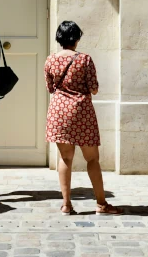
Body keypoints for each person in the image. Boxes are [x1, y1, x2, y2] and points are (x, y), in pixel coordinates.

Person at [44, 20, 122, 216]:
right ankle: (101, 204)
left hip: (59, 112)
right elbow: (94, 89)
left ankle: (66, 205)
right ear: (76, 38)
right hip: (81, 112)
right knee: (92, 159)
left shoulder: (50, 60)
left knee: (65, 157)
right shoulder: (85, 60)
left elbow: (51, 88)